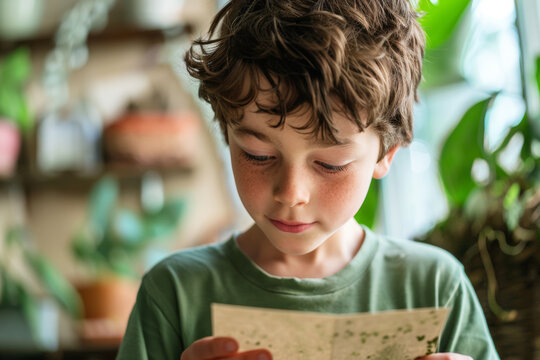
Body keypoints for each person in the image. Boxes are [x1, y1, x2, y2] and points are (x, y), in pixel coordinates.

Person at [117, 0, 499, 359]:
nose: (291, 193)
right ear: (226, 134)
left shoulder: (433, 286)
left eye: (331, 164)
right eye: (258, 155)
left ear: (385, 154)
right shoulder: (175, 293)